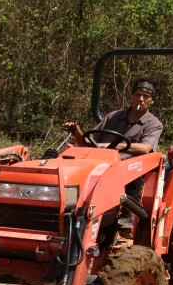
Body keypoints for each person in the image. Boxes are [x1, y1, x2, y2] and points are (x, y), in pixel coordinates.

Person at [61, 77, 163, 240]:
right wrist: (77, 132)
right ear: (132, 96)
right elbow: (88, 143)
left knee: (131, 171)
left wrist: (115, 145)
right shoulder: (113, 117)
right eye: (138, 94)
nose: (141, 99)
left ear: (152, 101)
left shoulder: (153, 124)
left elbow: (146, 148)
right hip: (100, 163)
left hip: (129, 168)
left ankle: (127, 218)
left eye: (146, 96)